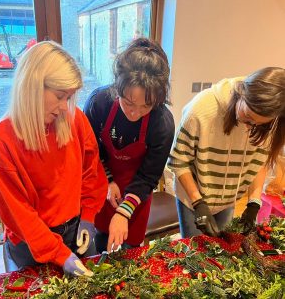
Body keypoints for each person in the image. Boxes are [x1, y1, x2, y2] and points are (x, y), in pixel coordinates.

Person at [0, 41, 108, 276]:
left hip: (76, 230)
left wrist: (89, 218)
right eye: (60, 96)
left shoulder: (75, 119)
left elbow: (91, 172)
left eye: (69, 98)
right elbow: (18, 213)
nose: (65, 107)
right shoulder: (0, 141)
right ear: (32, 86)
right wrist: (60, 254)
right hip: (32, 244)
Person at [168, 67, 285, 237]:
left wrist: (254, 202)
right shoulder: (200, 110)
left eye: (259, 124)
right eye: (248, 116)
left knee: (221, 252)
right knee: (195, 254)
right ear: (242, 94)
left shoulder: (270, 121)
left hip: (228, 201)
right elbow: (178, 162)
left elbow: (259, 161)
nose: (249, 126)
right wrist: (198, 203)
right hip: (193, 200)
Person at [83, 37, 174, 253]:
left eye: (146, 106)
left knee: (131, 251)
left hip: (138, 190)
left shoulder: (162, 123)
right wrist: (108, 180)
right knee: (101, 241)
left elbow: (149, 176)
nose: (134, 113)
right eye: (129, 103)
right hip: (102, 183)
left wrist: (124, 211)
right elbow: (90, 151)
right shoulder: (99, 103)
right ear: (118, 87)